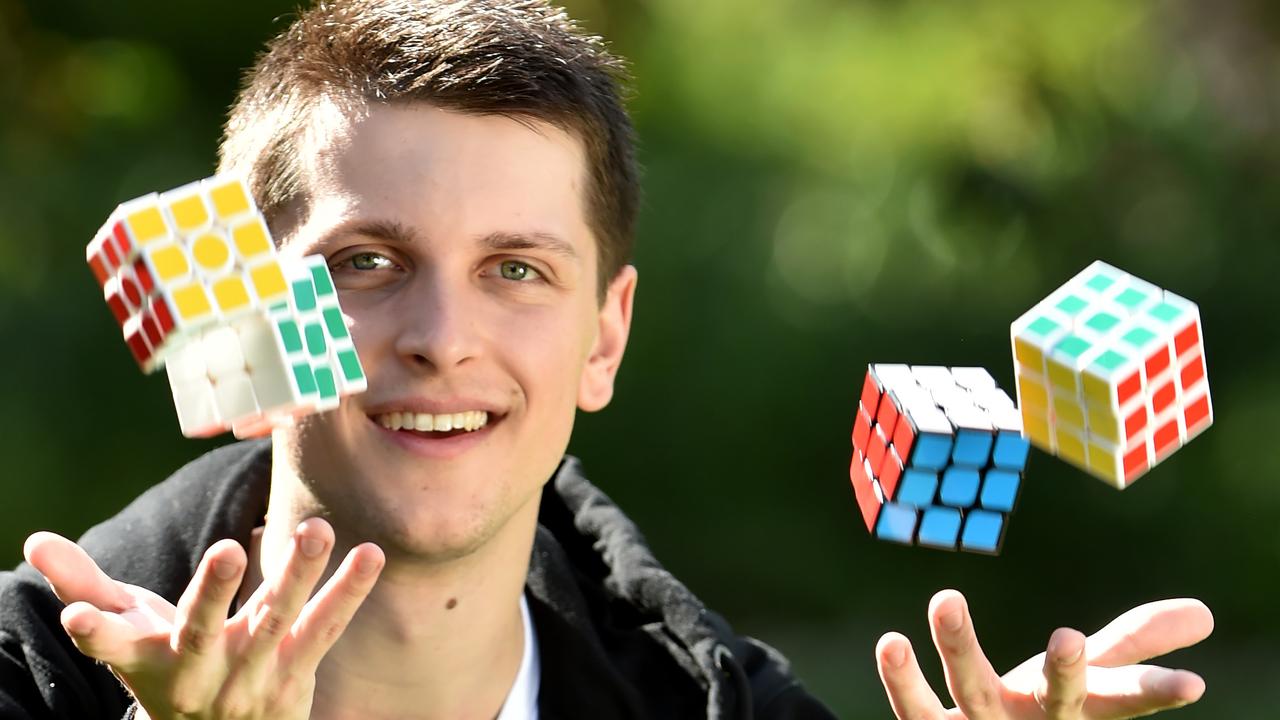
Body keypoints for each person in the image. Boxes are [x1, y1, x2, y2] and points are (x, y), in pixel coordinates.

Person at [0, 1, 1214, 718]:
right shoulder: (29, 675)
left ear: (606, 337)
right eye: (365, 261)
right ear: (240, 300)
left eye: (516, 270)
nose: (441, 337)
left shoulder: (723, 706)